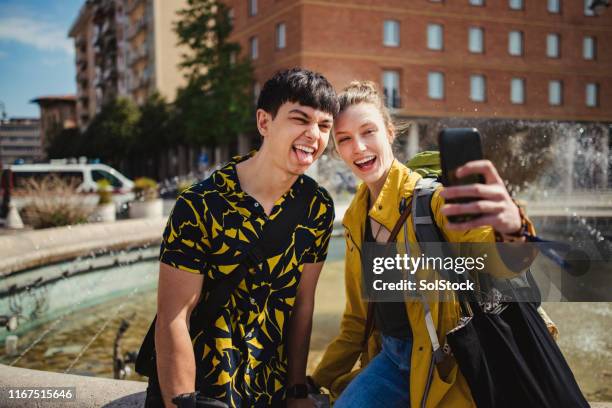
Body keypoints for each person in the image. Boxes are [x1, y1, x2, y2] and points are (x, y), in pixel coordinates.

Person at [310, 81, 536, 407]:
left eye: (368, 131)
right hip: (391, 359)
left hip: (448, 363)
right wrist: (313, 382)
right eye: (344, 139)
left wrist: (513, 229)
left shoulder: (434, 201)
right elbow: (357, 323)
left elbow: (497, 263)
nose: (358, 147)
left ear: (389, 132)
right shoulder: (357, 218)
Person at [150, 68, 338, 408]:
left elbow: (302, 302)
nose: (314, 134)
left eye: (324, 126)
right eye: (301, 119)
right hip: (207, 391)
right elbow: (174, 317)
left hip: (272, 391)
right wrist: (183, 401)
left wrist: (296, 390)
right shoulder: (201, 204)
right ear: (264, 123)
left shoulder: (318, 207)